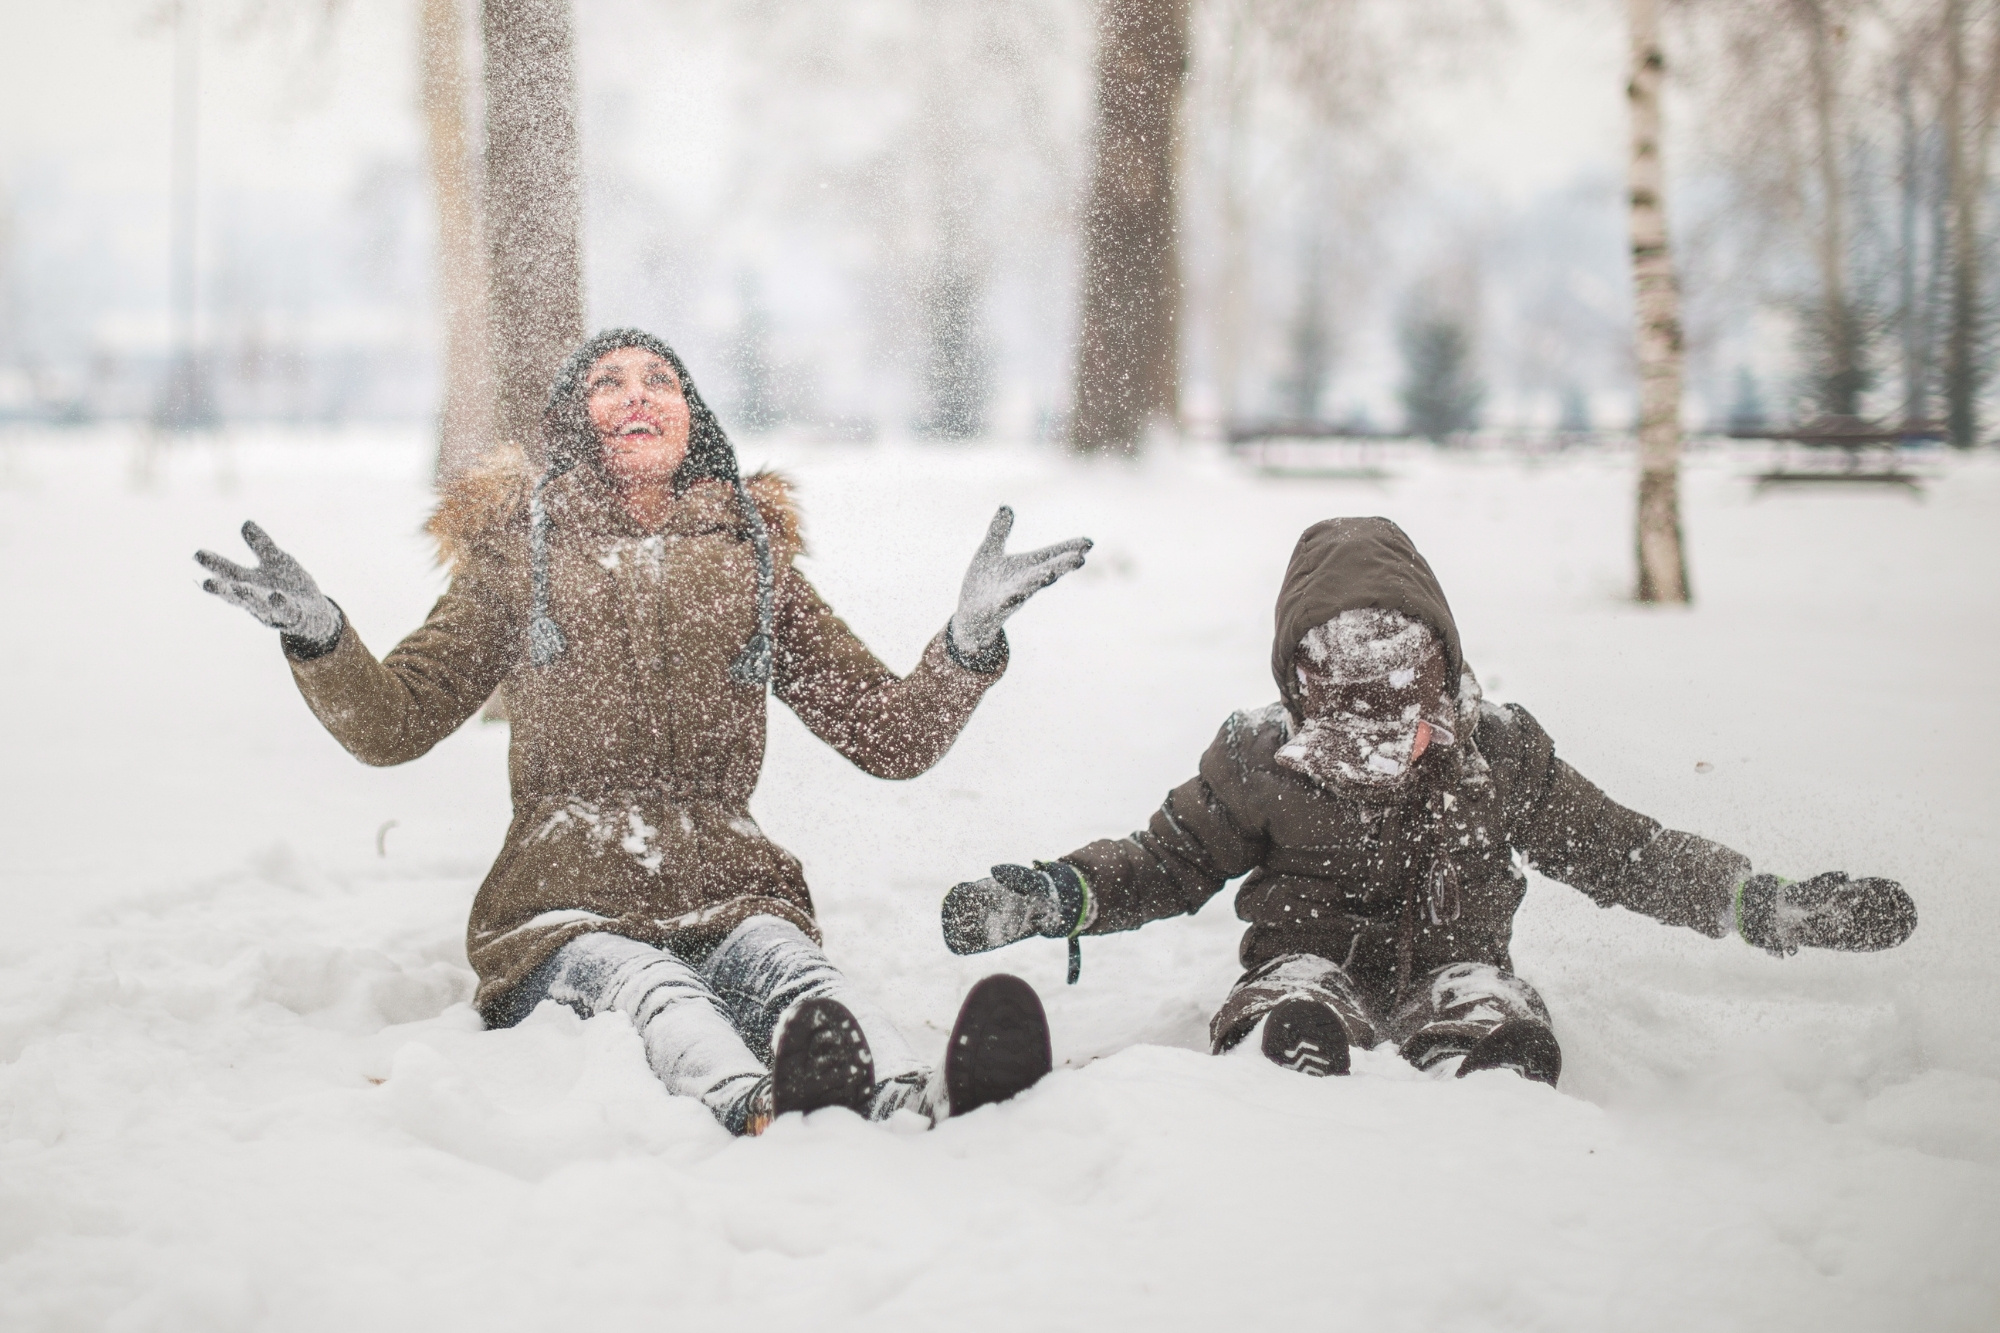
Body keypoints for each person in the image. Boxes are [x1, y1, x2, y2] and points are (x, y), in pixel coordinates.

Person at [196, 328, 1090, 1134]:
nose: (636, 393)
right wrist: (319, 637)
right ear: (575, 422)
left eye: (660, 379)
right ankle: (758, 1107)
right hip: (560, 905)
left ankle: (906, 1093)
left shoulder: (751, 562)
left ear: (689, 418)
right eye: (607, 381)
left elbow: (888, 733)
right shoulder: (518, 558)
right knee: (654, 991)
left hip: (730, 885)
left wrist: (967, 643)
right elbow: (393, 723)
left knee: (795, 970)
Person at [939, 517, 1916, 1086]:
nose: (1372, 755)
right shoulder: (1255, 760)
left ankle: (1478, 1052)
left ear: (1440, 685)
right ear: (1296, 694)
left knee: (1479, 994)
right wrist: (1057, 892)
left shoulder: (1495, 757)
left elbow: (1621, 850)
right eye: (1343, 729)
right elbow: (1166, 862)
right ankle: (1287, 1040)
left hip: (1455, 964)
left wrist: (1760, 900)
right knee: (1295, 984)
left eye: (1398, 724)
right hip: (1300, 961)